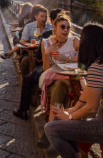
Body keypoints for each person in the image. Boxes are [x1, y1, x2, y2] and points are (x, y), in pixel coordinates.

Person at [45, 22, 103, 157]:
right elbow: (88, 92)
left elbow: (91, 108)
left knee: (51, 128)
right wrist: (71, 110)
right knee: (66, 122)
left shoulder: (97, 67)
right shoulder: (99, 64)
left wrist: (69, 116)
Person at [37, 13, 80, 149]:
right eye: (62, 27)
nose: (66, 30)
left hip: (74, 79)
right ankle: (53, 127)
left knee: (61, 86)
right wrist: (47, 53)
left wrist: (66, 58)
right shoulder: (47, 43)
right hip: (53, 79)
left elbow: (85, 60)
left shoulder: (74, 41)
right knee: (60, 87)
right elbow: (45, 69)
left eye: (68, 27)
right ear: (54, 27)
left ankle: (48, 129)